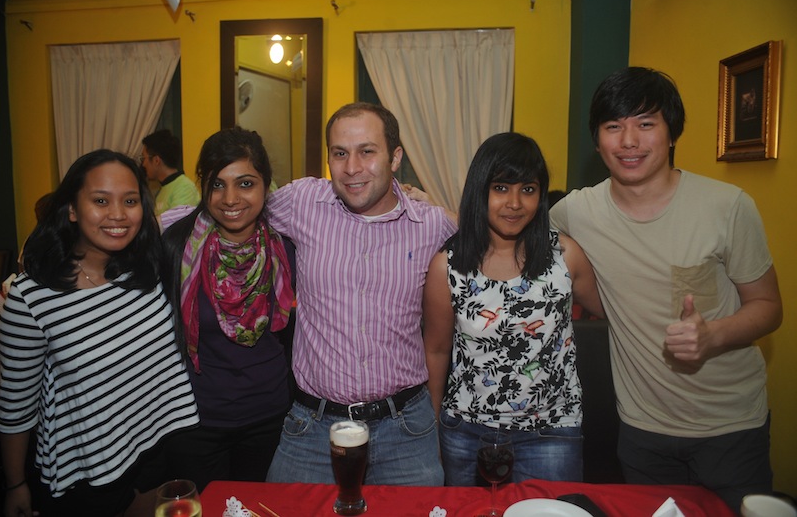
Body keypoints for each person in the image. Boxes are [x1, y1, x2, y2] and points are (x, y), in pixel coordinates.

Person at [549, 67, 782, 511]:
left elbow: (769, 306)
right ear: (597, 141)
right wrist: (433, 210)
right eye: (613, 126)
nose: (629, 141)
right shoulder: (577, 212)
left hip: (731, 426)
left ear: (672, 133)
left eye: (645, 124)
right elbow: (510, 228)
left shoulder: (727, 206)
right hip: (642, 431)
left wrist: (713, 335)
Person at [0, 149, 200, 517]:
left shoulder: (147, 271)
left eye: (130, 201)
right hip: (87, 473)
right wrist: (15, 484)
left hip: (156, 450)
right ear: (72, 209)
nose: (118, 214)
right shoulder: (32, 297)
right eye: (101, 201)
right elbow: (16, 404)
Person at [265, 102, 456, 486]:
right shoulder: (303, 202)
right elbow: (235, 208)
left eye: (367, 151)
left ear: (395, 157)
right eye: (340, 153)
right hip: (313, 428)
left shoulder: (431, 224)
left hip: (406, 429)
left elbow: (492, 248)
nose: (352, 167)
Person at [423, 132, 603, 486]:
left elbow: (617, 313)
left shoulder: (565, 256)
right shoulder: (449, 265)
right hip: (467, 432)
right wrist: (432, 431)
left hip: (551, 431)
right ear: (480, 191)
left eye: (528, 189)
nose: (515, 203)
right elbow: (437, 350)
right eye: (501, 188)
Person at [160, 126, 295, 491]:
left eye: (245, 184)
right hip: (194, 420)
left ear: (266, 185)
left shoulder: (287, 249)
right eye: (217, 184)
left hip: (270, 417)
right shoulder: (176, 246)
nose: (230, 198)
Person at [140, 129, 200, 215]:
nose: (143, 164)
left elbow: (178, 222)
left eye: (143, 158)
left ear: (156, 160)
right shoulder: (163, 189)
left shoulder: (184, 188)